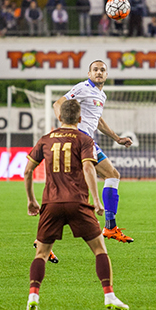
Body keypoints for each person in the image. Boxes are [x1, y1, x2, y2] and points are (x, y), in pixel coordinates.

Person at [23, 99, 128, 310]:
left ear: (59, 117)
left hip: (51, 203)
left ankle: (33, 297)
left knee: (41, 253)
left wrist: (31, 200)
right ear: (80, 119)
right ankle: (109, 295)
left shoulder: (45, 139)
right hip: (77, 202)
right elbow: (89, 168)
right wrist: (97, 200)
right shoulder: (84, 138)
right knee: (100, 249)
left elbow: (27, 171)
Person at [53, 61, 134, 243]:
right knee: (111, 175)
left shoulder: (101, 95)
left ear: (106, 75)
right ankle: (110, 227)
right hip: (79, 138)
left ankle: (43, 240)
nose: (99, 72)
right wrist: (65, 125)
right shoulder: (82, 88)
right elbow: (58, 103)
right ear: (89, 74)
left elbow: (98, 121)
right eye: (95, 70)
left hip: (86, 140)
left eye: (102, 70)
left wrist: (117, 138)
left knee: (73, 191)